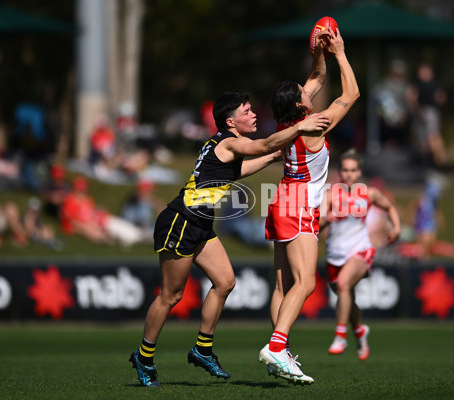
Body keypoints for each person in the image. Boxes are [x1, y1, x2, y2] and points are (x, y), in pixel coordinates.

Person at [128, 92, 330, 388]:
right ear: (230, 120)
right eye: (247, 111)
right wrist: (298, 127)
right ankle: (144, 357)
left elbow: (241, 168)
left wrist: (274, 157)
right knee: (171, 296)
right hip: (180, 222)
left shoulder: (225, 146)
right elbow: (263, 143)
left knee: (225, 282)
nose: (253, 115)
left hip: (200, 225)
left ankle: (202, 349)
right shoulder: (228, 140)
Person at [259, 27, 359, 384]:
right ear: (302, 104)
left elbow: (317, 76)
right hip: (299, 203)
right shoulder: (314, 124)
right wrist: (342, 52)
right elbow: (352, 93)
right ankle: (276, 346)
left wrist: (320, 52)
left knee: (282, 286)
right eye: (304, 93)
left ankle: (279, 351)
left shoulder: (287, 120)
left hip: (280, 199)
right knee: (306, 284)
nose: (309, 89)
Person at [321, 149, 400, 360]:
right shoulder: (330, 195)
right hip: (335, 254)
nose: (349, 175)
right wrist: (328, 218)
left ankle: (340, 336)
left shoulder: (369, 193)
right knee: (347, 297)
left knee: (344, 285)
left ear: (359, 172)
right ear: (340, 172)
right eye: (345, 170)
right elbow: (317, 224)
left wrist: (397, 228)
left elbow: (389, 206)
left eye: (353, 170)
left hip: (360, 250)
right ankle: (360, 331)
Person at [60, 176, 147, 246]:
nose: (82, 193)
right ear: (74, 189)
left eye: (83, 190)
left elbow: (90, 213)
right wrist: (90, 228)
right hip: (87, 225)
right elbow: (71, 220)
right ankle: (136, 237)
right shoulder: (70, 200)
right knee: (110, 226)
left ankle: (137, 236)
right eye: (79, 190)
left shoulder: (87, 199)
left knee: (113, 223)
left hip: (97, 221)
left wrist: (98, 212)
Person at [407, 63, 447, 167]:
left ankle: (439, 160)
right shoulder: (417, 83)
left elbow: (441, 98)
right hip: (420, 113)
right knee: (424, 140)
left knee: (433, 136)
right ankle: (431, 162)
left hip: (430, 112)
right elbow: (411, 97)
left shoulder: (434, 84)